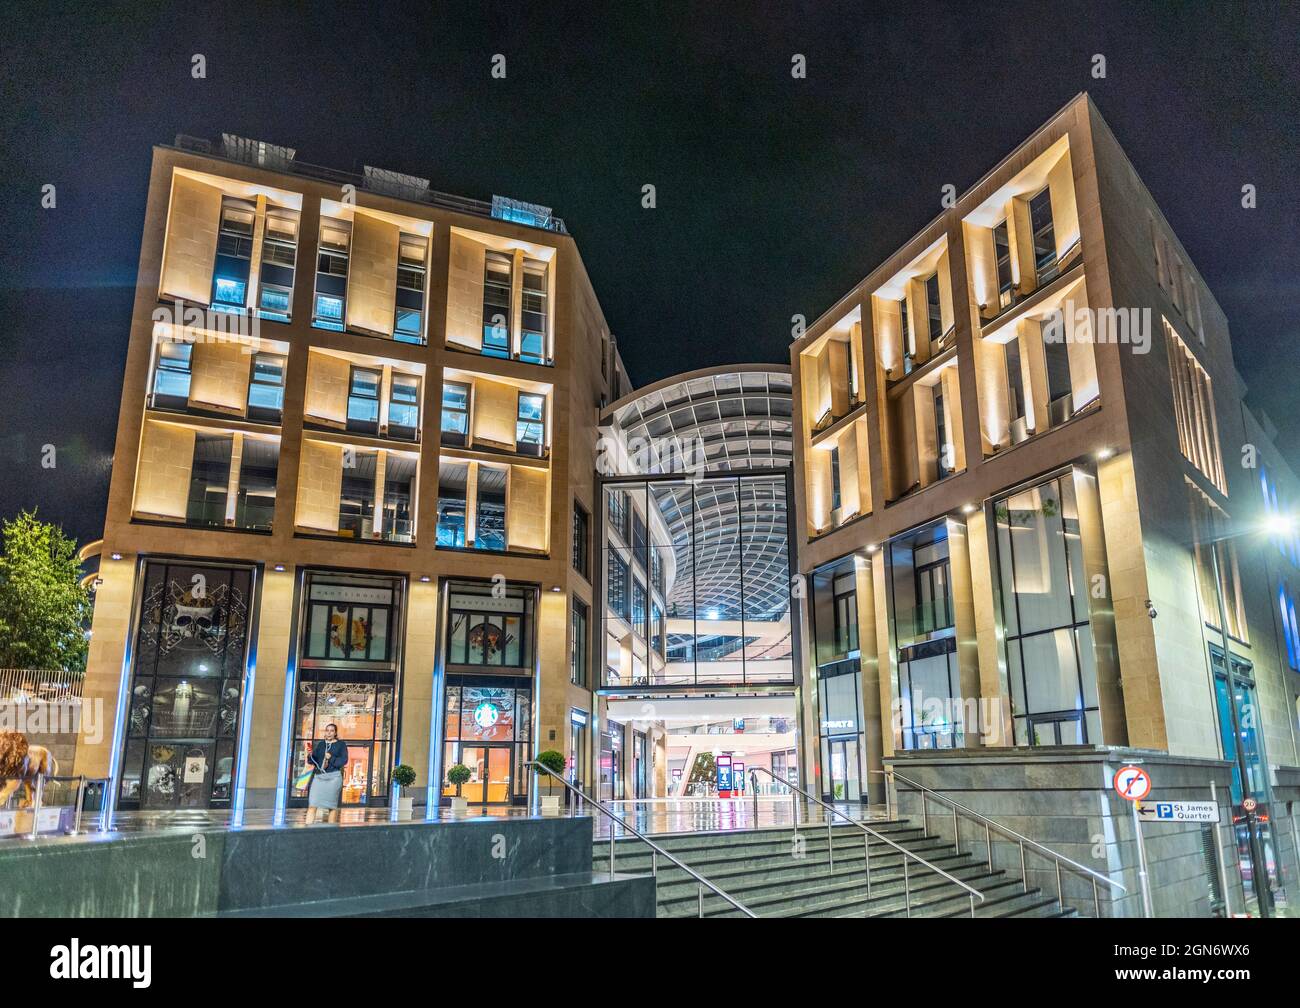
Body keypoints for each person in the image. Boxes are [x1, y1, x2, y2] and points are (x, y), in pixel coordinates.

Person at [306, 723, 348, 824]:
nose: (329, 733)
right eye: (327, 730)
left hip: (333, 778)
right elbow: (313, 761)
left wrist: (331, 758)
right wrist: (309, 755)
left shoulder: (341, 745)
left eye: (332, 730)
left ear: (335, 733)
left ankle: (331, 831)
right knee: (312, 804)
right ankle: (306, 830)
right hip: (319, 778)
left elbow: (343, 761)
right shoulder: (321, 744)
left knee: (332, 807)